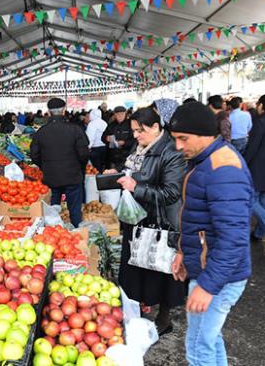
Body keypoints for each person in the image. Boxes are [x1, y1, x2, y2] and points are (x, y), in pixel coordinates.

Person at [169, 102, 252, 366]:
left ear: (205, 134)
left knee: (198, 346)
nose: (178, 146)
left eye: (184, 139)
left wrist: (207, 286)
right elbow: (198, 217)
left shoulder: (223, 168)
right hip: (209, 268)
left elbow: (233, 238)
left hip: (219, 276)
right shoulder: (205, 160)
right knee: (209, 339)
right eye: (175, 139)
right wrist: (184, 251)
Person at [107, 107, 186, 335]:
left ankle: (163, 320)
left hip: (158, 222)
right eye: (133, 131)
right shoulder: (141, 146)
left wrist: (136, 187)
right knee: (137, 267)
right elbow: (134, 171)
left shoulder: (171, 153)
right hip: (137, 219)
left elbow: (171, 193)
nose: (135, 136)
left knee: (158, 269)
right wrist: (119, 174)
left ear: (155, 127)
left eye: (139, 131)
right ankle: (139, 312)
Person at [30, 98, 89, 227]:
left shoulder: (41, 132)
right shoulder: (75, 129)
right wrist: (78, 167)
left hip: (51, 178)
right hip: (72, 177)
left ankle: (54, 233)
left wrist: (45, 166)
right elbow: (84, 154)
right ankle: (76, 235)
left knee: (53, 210)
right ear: (64, 111)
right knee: (74, 210)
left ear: (49, 113)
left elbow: (34, 155)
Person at [245, 94, 265, 241]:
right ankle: (258, 233)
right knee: (262, 200)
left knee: (251, 199)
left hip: (258, 167)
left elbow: (252, 148)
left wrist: (243, 164)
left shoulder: (260, 123)